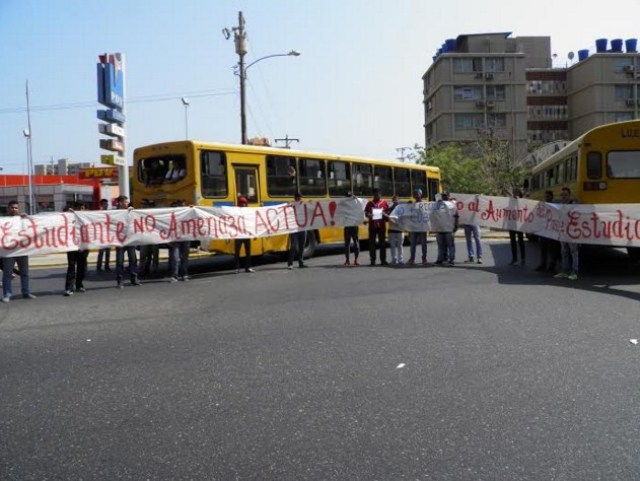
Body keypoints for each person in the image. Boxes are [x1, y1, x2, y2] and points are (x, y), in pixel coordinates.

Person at [2, 200, 36, 303]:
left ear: (18, 209)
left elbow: (32, 228)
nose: (14, 209)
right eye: (12, 207)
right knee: (7, 274)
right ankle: (7, 294)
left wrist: (27, 218)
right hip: (8, 251)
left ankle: (26, 292)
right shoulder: (3, 220)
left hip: (21, 250)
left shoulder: (23, 219)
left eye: (16, 208)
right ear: (8, 208)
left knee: (24, 273)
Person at [114, 195, 141, 288]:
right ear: (121, 203)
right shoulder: (115, 212)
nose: (127, 203)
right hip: (120, 240)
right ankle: (120, 281)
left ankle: (134, 278)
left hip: (130, 239)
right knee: (120, 261)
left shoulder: (131, 211)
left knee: (133, 259)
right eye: (126, 202)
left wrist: (132, 212)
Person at [63, 202, 90, 296]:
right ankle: (69, 288)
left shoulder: (87, 218)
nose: (81, 210)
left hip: (83, 246)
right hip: (72, 246)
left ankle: (79, 285)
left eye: (82, 208)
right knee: (71, 266)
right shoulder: (70, 217)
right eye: (79, 208)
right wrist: (68, 212)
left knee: (82, 266)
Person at [554, 187, 580, 280]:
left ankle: (574, 271)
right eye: (562, 195)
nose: (563, 197)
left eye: (565, 195)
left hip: (572, 233)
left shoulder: (574, 205)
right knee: (564, 251)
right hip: (563, 232)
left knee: (574, 251)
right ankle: (564, 271)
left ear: (569, 196)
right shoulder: (559, 206)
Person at [536, 190, 560, 273]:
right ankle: (543, 265)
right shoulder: (543, 206)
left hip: (552, 231)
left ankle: (552, 266)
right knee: (543, 249)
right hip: (544, 231)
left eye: (548, 197)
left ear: (552, 197)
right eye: (545, 197)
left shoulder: (556, 206)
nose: (546, 198)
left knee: (552, 249)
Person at [364, 189, 389, 266]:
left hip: (381, 226)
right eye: (375, 195)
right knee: (372, 244)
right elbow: (365, 212)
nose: (376, 196)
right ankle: (373, 260)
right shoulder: (369, 203)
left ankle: (383, 260)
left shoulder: (384, 203)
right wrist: (368, 215)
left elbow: (388, 213)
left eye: (378, 195)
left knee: (382, 244)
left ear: (380, 195)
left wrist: (384, 213)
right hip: (372, 226)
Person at [433, 192, 459, 266]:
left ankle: (451, 260)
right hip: (440, 228)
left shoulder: (453, 204)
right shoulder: (438, 204)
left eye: (445, 195)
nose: (443, 197)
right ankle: (440, 259)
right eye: (442, 196)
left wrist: (456, 226)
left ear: (448, 196)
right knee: (440, 245)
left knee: (450, 245)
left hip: (449, 228)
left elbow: (456, 216)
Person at [138, 199, 160, 278]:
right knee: (143, 255)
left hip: (154, 237)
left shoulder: (157, 214)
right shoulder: (140, 213)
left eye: (151, 205)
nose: (146, 206)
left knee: (155, 255)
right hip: (144, 237)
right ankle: (142, 270)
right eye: (143, 204)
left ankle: (154, 270)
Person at [234, 196, 255, 273]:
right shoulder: (235, 212)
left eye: (245, 203)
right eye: (242, 203)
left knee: (248, 251)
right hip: (238, 234)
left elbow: (251, 222)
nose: (244, 205)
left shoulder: (248, 212)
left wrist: (253, 233)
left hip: (246, 234)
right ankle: (237, 268)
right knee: (237, 252)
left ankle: (248, 267)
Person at [287, 192, 308, 269]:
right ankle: (290, 263)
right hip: (294, 229)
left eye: (300, 198)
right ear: (295, 198)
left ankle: (301, 262)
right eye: (298, 198)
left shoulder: (304, 204)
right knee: (293, 246)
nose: (300, 199)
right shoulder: (291, 205)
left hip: (303, 228)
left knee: (302, 246)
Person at [407, 188, 427, 266]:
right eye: (414, 194)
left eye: (417, 194)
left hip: (422, 227)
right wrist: (408, 206)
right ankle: (412, 258)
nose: (416, 195)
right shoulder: (412, 204)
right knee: (412, 244)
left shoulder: (425, 204)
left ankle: (424, 258)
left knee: (423, 243)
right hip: (413, 227)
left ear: (420, 195)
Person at [508, 188, 526, 265]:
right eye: (514, 192)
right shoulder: (510, 201)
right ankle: (514, 258)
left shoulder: (522, 201)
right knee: (513, 242)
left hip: (519, 225)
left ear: (519, 193)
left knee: (521, 241)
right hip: (512, 224)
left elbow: (524, 210)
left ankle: (523, 258)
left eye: (516, 192)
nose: (515, 193)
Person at [342, 192, 360, 266]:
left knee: (355, 242)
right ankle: (348, 260)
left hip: (354, 225)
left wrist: (357, 199)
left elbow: (361, 207)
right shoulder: (345, 205)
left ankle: (355, 259)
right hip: (347, 225)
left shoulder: (355, 204)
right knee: (347, 243)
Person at [386, 195, 405, 265]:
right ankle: (394, 259)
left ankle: (401, 259)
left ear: (398, 201)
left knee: (400, 245)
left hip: (400, 230)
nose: (395, 202)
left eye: (396, 200)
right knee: (392, 246)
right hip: (392, 230)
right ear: (392, 201)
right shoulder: (390, 209)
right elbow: (386, 218)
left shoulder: (402, 209)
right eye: (394, 200)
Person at [96, 198, 112, 272]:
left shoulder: (109, 213)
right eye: (105, 204)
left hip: (108, 235)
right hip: (101, 235)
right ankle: (99, 266)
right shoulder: (99, 213)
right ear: (102, 205)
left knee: (108, 252)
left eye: (107, 204)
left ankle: (106, 266)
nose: (107, 205)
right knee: (101, 252)